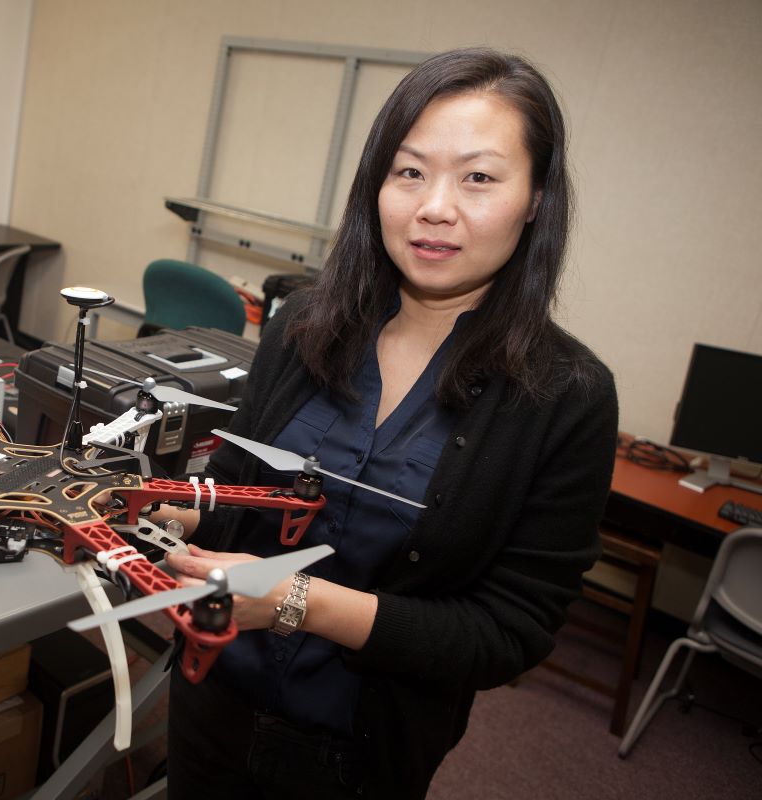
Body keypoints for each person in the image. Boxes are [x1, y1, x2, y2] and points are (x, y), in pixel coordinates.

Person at [158, 47, 619, 799]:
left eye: (478, 177)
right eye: (409, 171)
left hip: (360, 753)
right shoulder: (302, 327)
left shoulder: (566, 395)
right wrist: (185, 511)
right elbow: (234, 489)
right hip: (212, 696)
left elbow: (509, 632)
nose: (435, 207)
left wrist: (297, 603)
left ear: (536, 197)